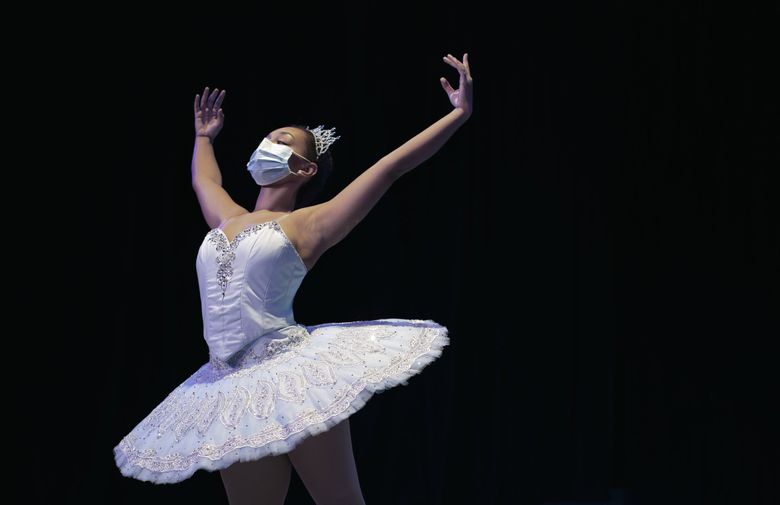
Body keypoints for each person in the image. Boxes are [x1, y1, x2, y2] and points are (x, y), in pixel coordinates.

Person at [114, 52, 473, 505]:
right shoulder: (226, 218)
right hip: (229, 386)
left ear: (304, 168)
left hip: (291, 375)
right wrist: (204, 137)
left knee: (340, 500)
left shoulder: (308, 225)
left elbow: (389, 168)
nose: (267, 144)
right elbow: (205, 182)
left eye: (281, 141)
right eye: (267, 138)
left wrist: (458, 115)